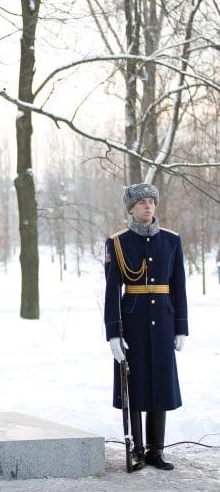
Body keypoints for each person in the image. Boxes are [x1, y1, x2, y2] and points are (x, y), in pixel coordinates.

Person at [104, 183, 188, 471]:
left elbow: (179, 286)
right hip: (133, 323)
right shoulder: (118, 242)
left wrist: (181, 327)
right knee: (136, 384)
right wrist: (113, 333)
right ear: (131, 207)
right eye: (141, 202)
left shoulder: (172, 240)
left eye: (152, 201)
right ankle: (137, 449)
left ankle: (157, 450)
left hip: (164, 321)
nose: (148, 206)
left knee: (161, 383)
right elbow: (112, 290)